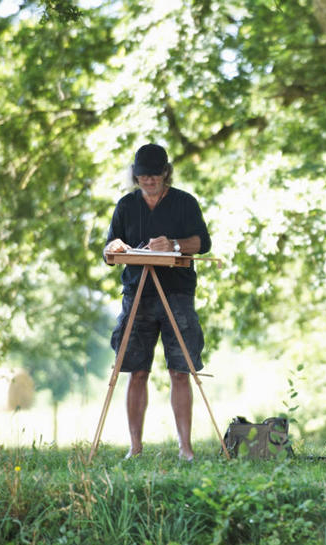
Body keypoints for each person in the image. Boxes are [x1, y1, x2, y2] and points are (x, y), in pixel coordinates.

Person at [103, 143, 211, 461]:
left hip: (177, 293)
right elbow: (109, 250)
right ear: (135, 177)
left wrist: (174, 243)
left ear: (166, 173)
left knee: (181, 370)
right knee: (136, 371)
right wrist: (116, 246)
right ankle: (135, 448)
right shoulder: (125, 205)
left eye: (154, 176)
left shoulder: (184, 203)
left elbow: (202, 242)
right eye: (142, 177)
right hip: (137, 293)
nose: (149, 182)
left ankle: (185, 449)